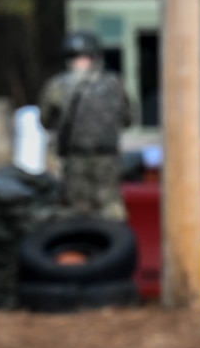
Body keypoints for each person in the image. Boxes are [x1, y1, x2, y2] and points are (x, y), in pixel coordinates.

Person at [38, 31, 132, 221]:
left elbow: (46, 121)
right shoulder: (114, 83)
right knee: (110, 206)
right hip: (108, 157)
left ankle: (83, 248)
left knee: (78, 210)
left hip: (74, 158)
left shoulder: (57, 85)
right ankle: (115, 246)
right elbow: (128, 118)